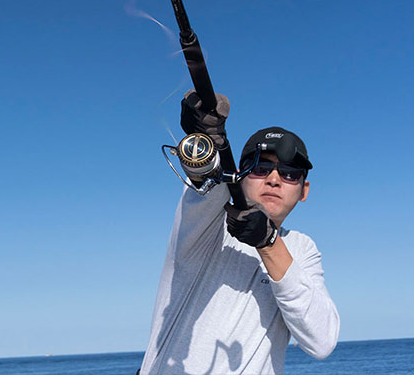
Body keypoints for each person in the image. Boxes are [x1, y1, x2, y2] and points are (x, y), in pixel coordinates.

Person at [138, 90, 339, 375]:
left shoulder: (302, 248)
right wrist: (209, 139)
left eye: (290, 173)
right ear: (241, 176)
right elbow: (206, 183)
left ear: (304, 190)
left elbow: (322, 342)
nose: (274, 179)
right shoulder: (207, 223)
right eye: (260, 167)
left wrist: (269, 243)